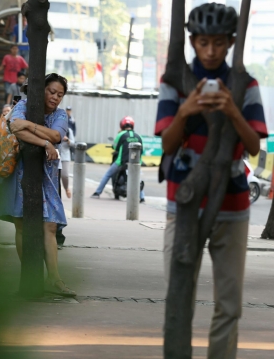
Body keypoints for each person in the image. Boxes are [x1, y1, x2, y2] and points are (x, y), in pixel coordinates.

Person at [156, 3, 267, 358]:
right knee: (179, 297)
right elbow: (168, 143)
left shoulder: (245, 84)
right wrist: (186, 110)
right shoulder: (175, 81)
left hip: (232, 206)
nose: (210, 50)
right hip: (183, 204)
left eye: (218, 43)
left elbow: (253, 147)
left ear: (231, 42)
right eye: (203, 42)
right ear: (191, 41)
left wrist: (233, 110)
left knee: (229, 305)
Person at [0, 73, 75, 297]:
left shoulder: (60, 115)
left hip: (46, 175)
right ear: (42, 90)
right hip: (19, 172)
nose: (55, 97)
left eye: (60, 94)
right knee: (21, 224)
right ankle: (29, 273)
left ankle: (54, 279)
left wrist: (30, 126)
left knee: (49, 226)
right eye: (51, 91)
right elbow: (13, 127)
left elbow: (57, 135)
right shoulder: (26, 104)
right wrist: (45, 141)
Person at [91, 116, 145, 202]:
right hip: (136, 163)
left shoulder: (121, 135)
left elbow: (115, 147)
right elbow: (142, 151)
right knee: (137, 178)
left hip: (121, 162)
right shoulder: (139, 136)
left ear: (122, 125)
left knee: (108, 175)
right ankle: (142, 197)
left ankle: (97, 193)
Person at [60, 127, 75, 199]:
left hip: (65, 155)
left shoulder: (69, 130)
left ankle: (66, 188)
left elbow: (73, 143)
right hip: (56, 153)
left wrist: (67, 140)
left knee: (64, 175)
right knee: (55, 175)